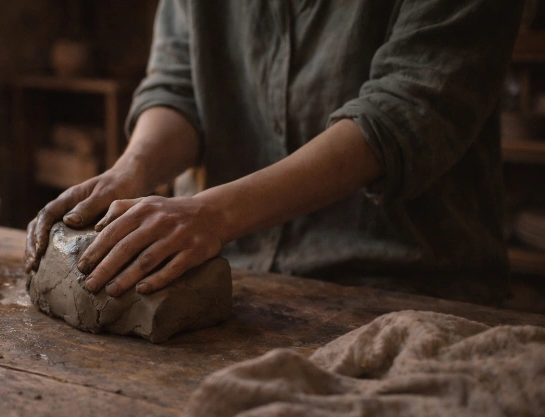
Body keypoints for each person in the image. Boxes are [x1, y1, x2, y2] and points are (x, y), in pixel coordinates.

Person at [26, 0, 524, 306]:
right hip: (232, 273)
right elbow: (179, 87)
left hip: (405, 281)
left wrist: (212, 215)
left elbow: (403, 113)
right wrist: (132, 170)